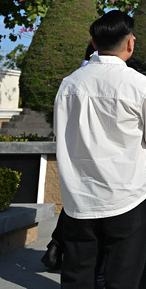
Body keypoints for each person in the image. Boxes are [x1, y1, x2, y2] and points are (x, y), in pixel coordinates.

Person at [54, 10, 146, 289]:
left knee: (78, 275)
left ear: (94, 43)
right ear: (130, 43)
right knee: (125, 277)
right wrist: (131, 168)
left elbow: (62, 136)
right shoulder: (138, 83)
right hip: (126, 196)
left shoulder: (69, 83)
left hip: (78, 197)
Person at [41, 41, 101, 273]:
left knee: (76, 205)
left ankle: (56, 247)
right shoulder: (96, 77)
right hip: (97, 152)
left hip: (76, 152)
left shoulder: (74, 79)